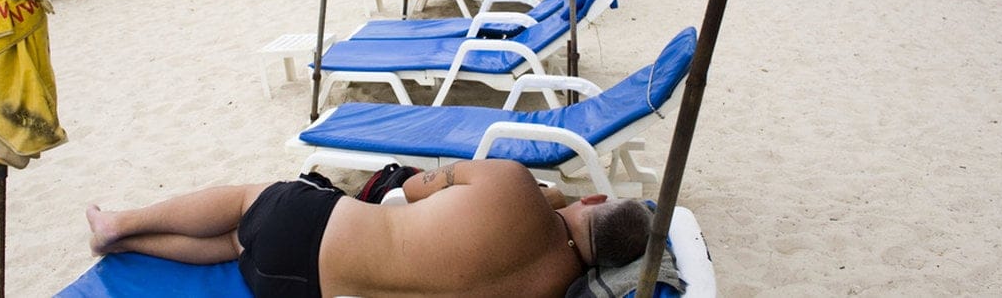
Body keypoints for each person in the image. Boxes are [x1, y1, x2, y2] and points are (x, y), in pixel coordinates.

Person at [85, 159, 652, 298]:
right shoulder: (552, 287)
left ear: (593, 199)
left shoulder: (514, 186)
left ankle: (120, 224)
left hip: (311, 227)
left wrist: (546, 197)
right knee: (237, 244)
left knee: (243, 203)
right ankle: (127, 241)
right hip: (295, 288)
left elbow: (418, 187)